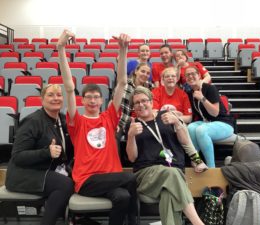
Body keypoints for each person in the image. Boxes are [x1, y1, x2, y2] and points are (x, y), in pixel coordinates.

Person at [57, 30, 137, 225]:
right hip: (87, 180)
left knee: (123, 197)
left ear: (102, 100)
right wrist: (61, 48)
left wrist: (122, 49)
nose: (92, 100)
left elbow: (122, 83)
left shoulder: (109, 117)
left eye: (96, 97)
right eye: (88, 97)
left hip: (112, 177)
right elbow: (68, 86)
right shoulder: (77, 121)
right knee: (132, 179)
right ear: (82, 100)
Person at [126, 86, 206, 225]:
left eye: (144, 100)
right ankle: (198, 223)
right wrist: (131, 135)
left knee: (168, 194)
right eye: (136, 103)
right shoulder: (133, 125)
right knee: (172, 174)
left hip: (173, 170)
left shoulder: (168, 116)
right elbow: (132, 158)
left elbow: (186, 141)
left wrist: (177, 122)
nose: (141, 105)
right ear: (133, 107)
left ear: (151, 102)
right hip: (146, 174)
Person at [5, 84, 74, 225]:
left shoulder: (60, 119)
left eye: (59, 95)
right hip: (23, 174)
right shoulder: (32, 121)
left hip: (44, 170)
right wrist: (46, 152)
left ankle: (73, 218)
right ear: (42, 99)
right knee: (65, 184)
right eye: (50, 95)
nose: (56, 98)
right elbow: (17, 156)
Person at [185, 66, 235, 168]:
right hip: (207, 123)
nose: (190, 76)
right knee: (190, 128)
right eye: (187, 75)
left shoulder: (210, 88)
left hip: (224, 123)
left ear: (199, 75)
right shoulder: (190, 93)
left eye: (193, 74)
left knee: (201, 130)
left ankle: (211, 167)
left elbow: (215, 113)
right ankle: (197, 161)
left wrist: (202, 98)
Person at [119, 62, 154, 132]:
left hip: (142, 124)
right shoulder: (124, 85)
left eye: (148, 73)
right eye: (143, 71)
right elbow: (113, 104)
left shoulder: (150, 87)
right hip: (122, 122)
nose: (145, 74)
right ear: (136, 71)